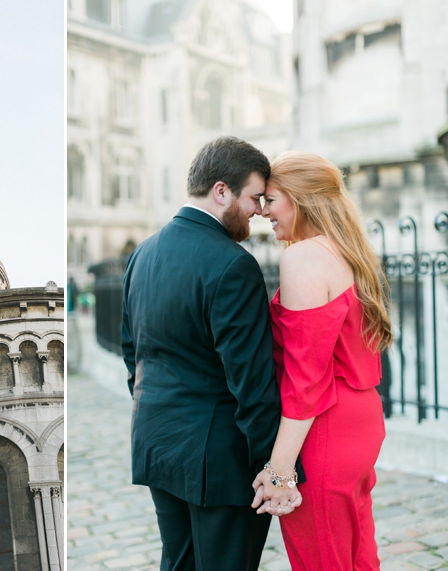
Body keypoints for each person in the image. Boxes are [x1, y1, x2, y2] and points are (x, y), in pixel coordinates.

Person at [121, 136, 301, 570]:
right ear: (221, 191)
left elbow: (133, 356)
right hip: (218, 462)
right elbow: (251, 383)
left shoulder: (141, 254)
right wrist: (273, 468)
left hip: (156, 443)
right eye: (255, 197)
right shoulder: (232, 264)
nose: (260, 210)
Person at [252, 151, 392, 570]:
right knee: (357, 553)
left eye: (271, 199)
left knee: (324, 558)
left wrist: (279, 472)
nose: (262, 212)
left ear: (301, 199)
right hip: (360, 419)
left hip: (325, 429)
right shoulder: (349, 251)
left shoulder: (303, 256)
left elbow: (305, 378)